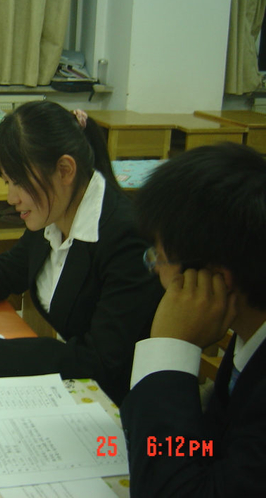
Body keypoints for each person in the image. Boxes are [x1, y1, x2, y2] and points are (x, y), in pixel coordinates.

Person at [0, 101, 163, 405]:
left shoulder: (127, 238)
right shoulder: (55, 211)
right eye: (7, 182)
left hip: (119, 405)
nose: (11, 197)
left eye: (19, 182)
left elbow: (99, 360)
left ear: (65, 170)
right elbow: (9, 269)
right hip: (73, 388)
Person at [120, 142, 266, 497]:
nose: (155, 270)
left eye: (160, 258)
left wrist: (170, 348)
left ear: (216, 279)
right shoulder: (248, 335)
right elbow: (212, 447)